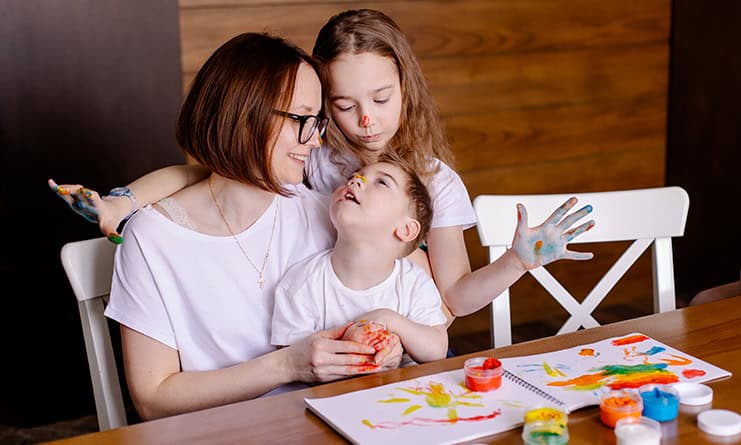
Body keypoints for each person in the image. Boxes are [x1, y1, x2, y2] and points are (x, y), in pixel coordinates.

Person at [50, 9, 595, 323]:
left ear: (406, 87)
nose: (365, 121)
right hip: (298, 334)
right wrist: (125, 199)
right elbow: (203, 173)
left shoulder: (433, 180)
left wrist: (518, 263)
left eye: (382, 98)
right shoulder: (307, 156)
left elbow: (453, 297)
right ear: (320, 102)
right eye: (342, 105)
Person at [51, 32, 404, 421]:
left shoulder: (327, 213)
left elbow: (395, 304)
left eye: (318, 122)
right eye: (304, 120)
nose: (316, 141)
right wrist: (287, 366)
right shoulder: (154, 239)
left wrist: (376, 349)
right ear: (245, 115)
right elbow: (153, 398)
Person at [271, 154, 448, 365]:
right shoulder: (302, 284)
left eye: (381, 182)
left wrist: (389, 320)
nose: (357, 180)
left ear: (405, 229)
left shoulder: (414, 283)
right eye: (354, 177)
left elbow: (437, 350)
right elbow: (293, 363)